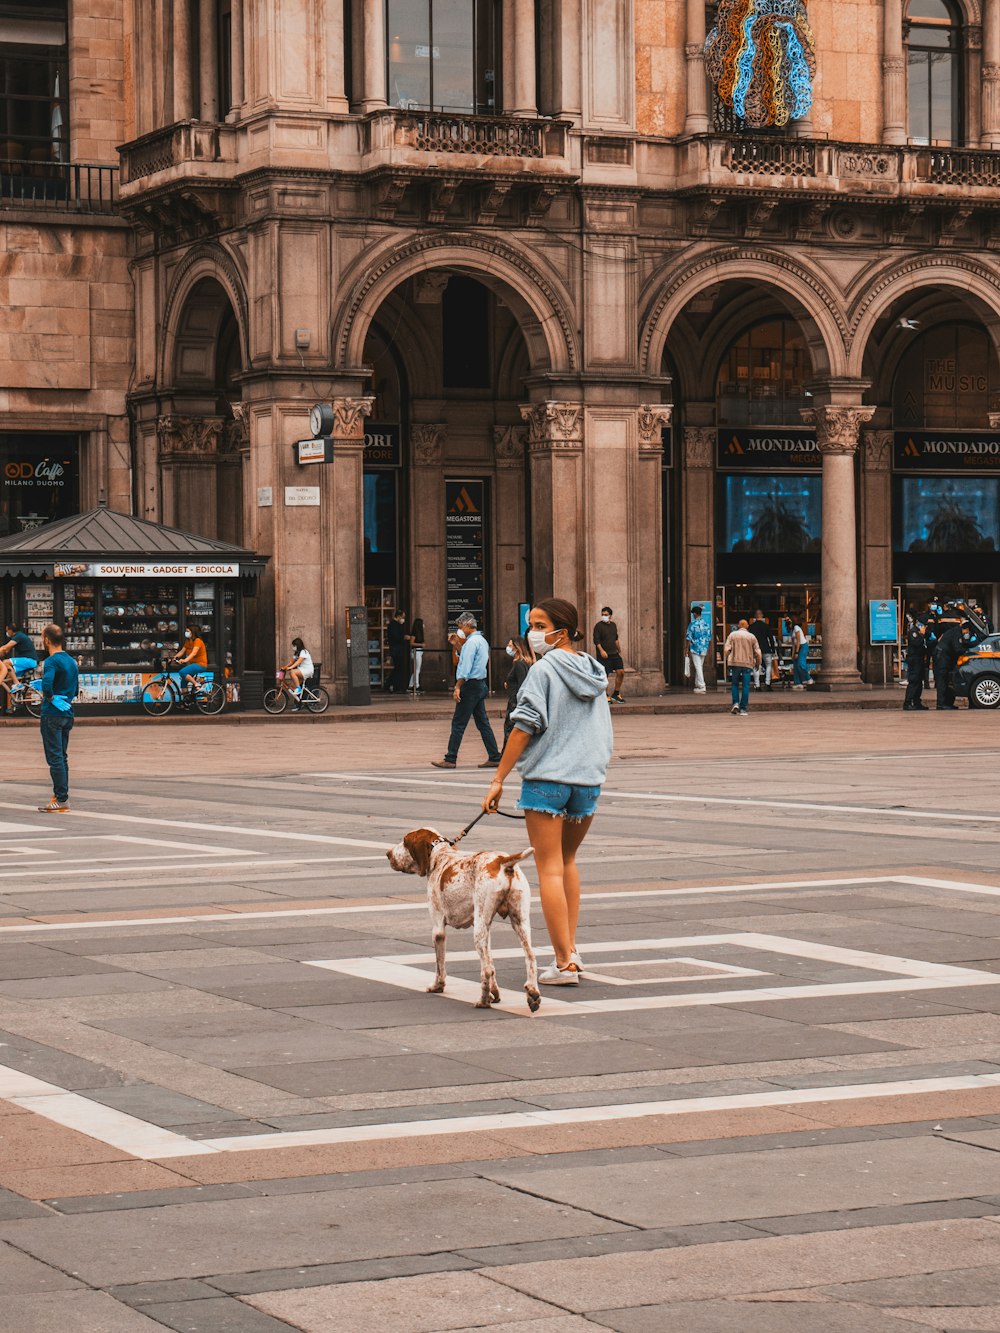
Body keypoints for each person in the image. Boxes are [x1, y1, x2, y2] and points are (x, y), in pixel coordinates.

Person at [482, 598, 612, 985]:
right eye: (531, 624)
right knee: (567, 862)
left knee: (549, 869)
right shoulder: (594, 669)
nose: (532, 633)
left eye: (540, 625)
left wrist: (498, 779)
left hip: (548, 781)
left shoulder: (543, 672)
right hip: (587, 782)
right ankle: (570, 950)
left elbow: (523, 727)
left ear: (564, 630)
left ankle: (562, 963)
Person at [432, 612, 502, 769]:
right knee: (483, 722)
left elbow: (466, 666)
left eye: (460, 626)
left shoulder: (471, 643)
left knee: (458, 722)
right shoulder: (481, 640)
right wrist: (457, 645)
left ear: (468, 625)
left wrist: (458, 686)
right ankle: (494, 756)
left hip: (470, 686)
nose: (459, 630)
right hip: (480, 684)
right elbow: (469, 658)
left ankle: (450, 758)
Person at [38, 623, 78, 813]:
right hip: (67, 714)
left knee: (54, 758)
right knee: (62, 757)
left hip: (52, 714)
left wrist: (50, 696)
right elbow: (75, 689)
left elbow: (47, 684)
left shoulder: (51, 661)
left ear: (46, 640)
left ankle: (61, 800)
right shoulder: (71, 661)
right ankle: (60, 796)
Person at [723, 618, 761, 716]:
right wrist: (758, 663)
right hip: (747, 664)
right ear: (747, 626)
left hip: (735, 663)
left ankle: (735, 703)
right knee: (746, 686)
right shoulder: (751, 637)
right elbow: (757, 652)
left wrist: (728, 660)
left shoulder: (732, 635)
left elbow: (726, 649)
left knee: (735, 684)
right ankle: (743, 708)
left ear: (739, 626)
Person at [503, 635, 536, 746]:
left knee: (510, 730)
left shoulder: (519, 664)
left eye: (510, 645)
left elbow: (522, 684)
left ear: (516, 647)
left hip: (515, 702)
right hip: (515, 701)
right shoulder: (521, 663)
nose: (508, 647)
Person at [0, 622, 38, 714]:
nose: (7, 632)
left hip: (29, 660)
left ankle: (17, 684)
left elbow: (6, 648)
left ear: (10, 630)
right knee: (9, 680)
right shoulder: (17, 637)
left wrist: (2, 650)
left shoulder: (19, 636)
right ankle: (11, 706)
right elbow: (5, 651)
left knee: (5, 663)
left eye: (7, 630)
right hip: (25, 661)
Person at [593, 606, 626, 703]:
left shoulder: (613, 625)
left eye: (606, 615)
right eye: (602, 614)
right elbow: (596, 640)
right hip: (604, 655)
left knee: (621, 672)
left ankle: (616, 694)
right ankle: (605, 695)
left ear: (610, 616)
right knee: (605, 675)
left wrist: (619, 649)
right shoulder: (598, 626)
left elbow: (616, 638)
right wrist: (602, 651)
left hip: (614, 654)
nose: (604, 616)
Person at [173, 623, 209, 699]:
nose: (186, 633)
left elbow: (194, 653)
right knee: (183, 682)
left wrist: (185, 660)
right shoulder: (188, 641)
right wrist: (174, 658)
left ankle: (196, 684)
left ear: (193, 632)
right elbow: (182, 651)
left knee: (182, 672)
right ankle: (186, 702)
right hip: (193, 664)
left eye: (188, 631)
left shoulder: (198, 641)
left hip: (200, 664)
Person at [934, 620, 963, 710]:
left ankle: (947, 703)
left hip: (944, 659)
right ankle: (941, 704)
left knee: (946, 681)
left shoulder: (953, 631)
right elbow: (957, 648)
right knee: (942, 681)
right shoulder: (956, 633)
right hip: (942, 659)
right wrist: (966, 649)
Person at [747, 610, 777, 691]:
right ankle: (767, 683)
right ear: (762, 616)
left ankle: (757, 685)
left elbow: (749, 639)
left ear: (755, 617)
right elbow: (771, 638)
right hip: (766, 648)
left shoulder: (751, 627)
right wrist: (773, 649)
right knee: (768, 665)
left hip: (755, 649)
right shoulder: (766, 626)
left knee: (756, 667)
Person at [903, 619, 929, 711]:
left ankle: (917, 702)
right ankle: (907, 702)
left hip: (920, 659)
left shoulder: (921, 632)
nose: (924, 627)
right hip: (914, 659)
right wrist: (922, 634)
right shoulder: (913, 632)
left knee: (919, 682)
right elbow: (916, 643)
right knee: (913, 681)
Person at [685, 604, 711, 693]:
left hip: (695, 647)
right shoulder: (706, 624)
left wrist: (686, 649)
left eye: (693, 614)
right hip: (704, 647)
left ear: (695, 614)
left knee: (698, 666)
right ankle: (698, 684)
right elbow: (709, 637)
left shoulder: (692, 624)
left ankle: (702, 685)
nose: (693, 615)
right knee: (700, 666)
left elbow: (688, 638)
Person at [283, 637, 314, 708]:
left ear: (298, 645)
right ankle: (299, 704)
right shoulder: (297, 653)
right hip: (302, 670)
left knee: (292, 672)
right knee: (292, 687)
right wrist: (285, 667)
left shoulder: (304, 652)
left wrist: (290, 668)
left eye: (294, 645)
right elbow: (291, 661)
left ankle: (298, 688)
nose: (293, 647)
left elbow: (298, 662)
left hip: (307, 670)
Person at [386, 609, 409, 693]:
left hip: (398, 649)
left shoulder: (396, 625)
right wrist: (404, 637)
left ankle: (390, 684)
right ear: (398, 616)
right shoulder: (393, 625)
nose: (403, 619)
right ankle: (394, 685)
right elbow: (396, 637)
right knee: (398, 668)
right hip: (396, 649)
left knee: (398, 668)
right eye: (402, 617)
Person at [791, 615, 812, 688]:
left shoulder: (796, 627)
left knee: (801, 663)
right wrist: (793, 654)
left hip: (802, 646)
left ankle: (808, 678)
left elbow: (799, 640)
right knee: (796, 665)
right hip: (798, 647)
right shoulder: (792, 630)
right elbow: (793, 643)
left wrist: (796, 652)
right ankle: (797, 683)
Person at [407, 617, 425, 693]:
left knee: (416, 669)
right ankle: (416, 686)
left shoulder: (420, 633)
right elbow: (411, 643)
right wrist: (421, 644)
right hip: (416, 651)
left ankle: (411, 685)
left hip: (419, 651)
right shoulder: (414, 633)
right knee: (417, 669)